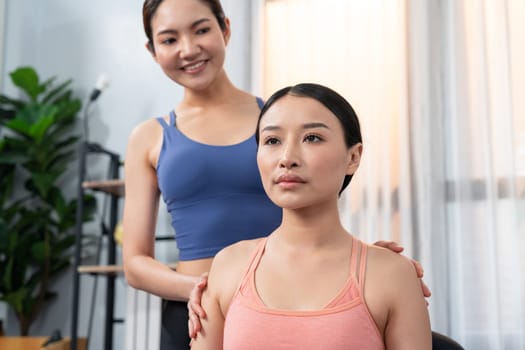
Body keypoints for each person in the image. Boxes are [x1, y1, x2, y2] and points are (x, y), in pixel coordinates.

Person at [123, 1, 430, 349]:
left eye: (201, 30)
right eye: (169, 39)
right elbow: (135, 261)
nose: (189, 49)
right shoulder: (149, 137)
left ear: (225, 28)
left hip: (286, 295)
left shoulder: (278, 120)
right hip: (196, 308)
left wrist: (365, 267)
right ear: (152, 49)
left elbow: (311, 205)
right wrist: (203, 288)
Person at [190, 83, 432, 350]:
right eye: (272, 141)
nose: (287, 158)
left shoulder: (392, 275)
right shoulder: (228, 266)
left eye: (312, 138)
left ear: (353, 156)